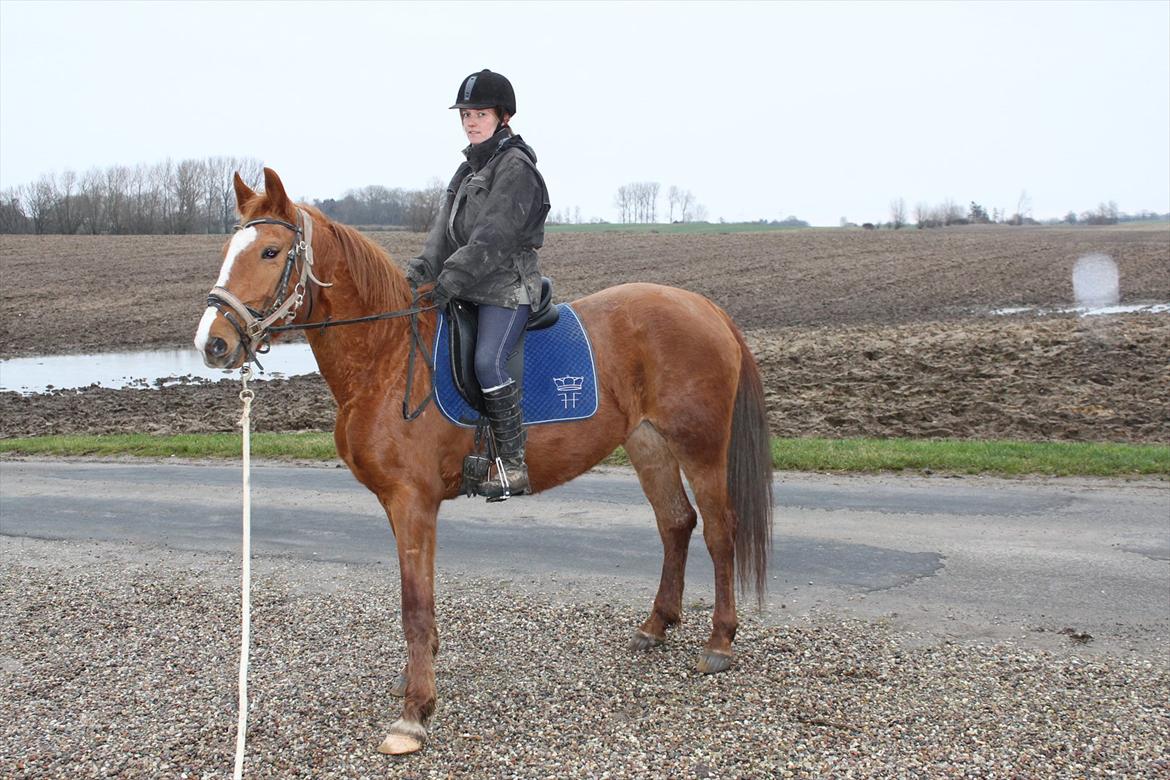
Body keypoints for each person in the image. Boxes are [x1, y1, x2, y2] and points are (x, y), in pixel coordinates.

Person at [406, 69, 551, 498]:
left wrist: (450, 279)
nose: (471, 121)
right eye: (466, 114)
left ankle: (511, 463)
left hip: (507, 288)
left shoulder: (517, 168)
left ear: (503, 117)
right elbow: (440, 235)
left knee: (488, 362)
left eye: (480, 113)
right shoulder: (467, 167)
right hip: (469, 287)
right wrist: (417, 275)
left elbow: (494, 237)